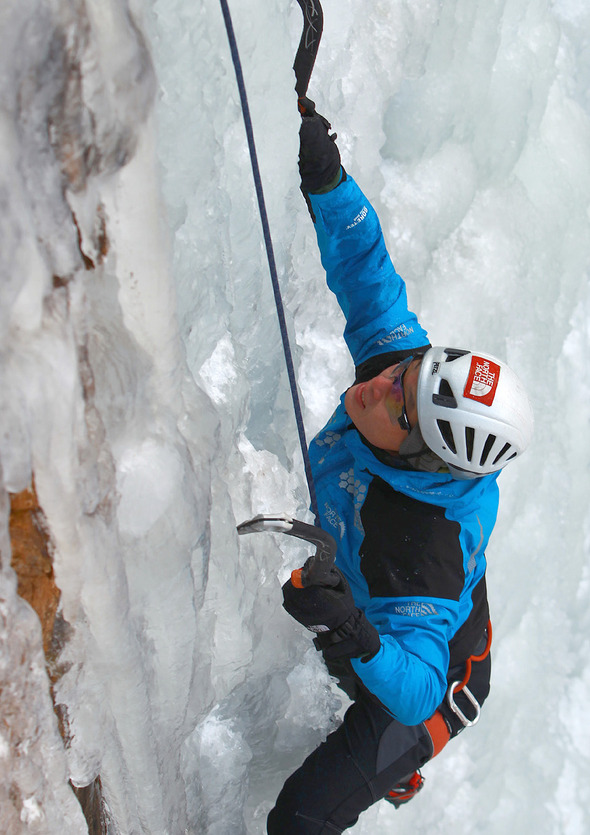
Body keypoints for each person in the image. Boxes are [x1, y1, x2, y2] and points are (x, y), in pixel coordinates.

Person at [266, 103, 534, 834]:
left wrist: (356, 629)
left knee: (299, 818)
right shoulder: (406, 382)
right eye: (405, 372)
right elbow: (368, 278)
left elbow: (414, 687)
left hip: (437, 678)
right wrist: (330, 184)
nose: (379, 384)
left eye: (400, 405)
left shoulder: (418, 550)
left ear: (422, 455)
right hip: (408, 609)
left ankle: (401, 767)